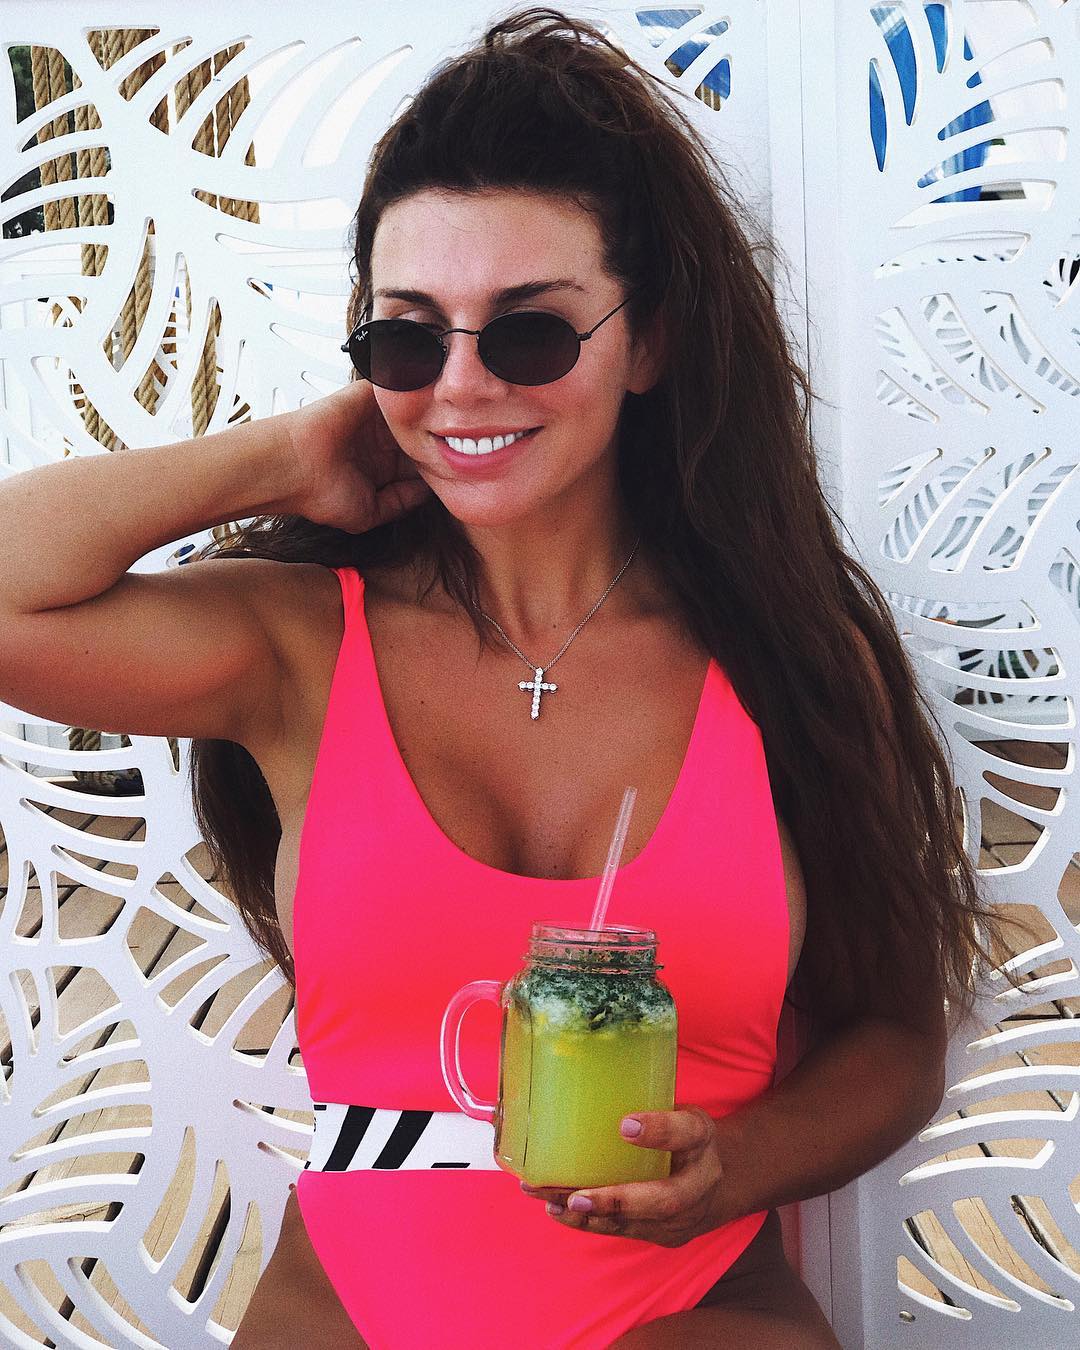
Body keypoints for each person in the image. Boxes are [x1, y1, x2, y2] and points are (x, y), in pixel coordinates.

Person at [0, 9, 1018, 1348]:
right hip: (345, 1310)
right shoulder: (301, 645)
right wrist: (282, 456)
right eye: (409, 339)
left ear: (649, 342)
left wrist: (739, 1165)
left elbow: (892, 1033)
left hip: (688, 1309)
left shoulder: (787, 656)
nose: (463, 386)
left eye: (529, 333)